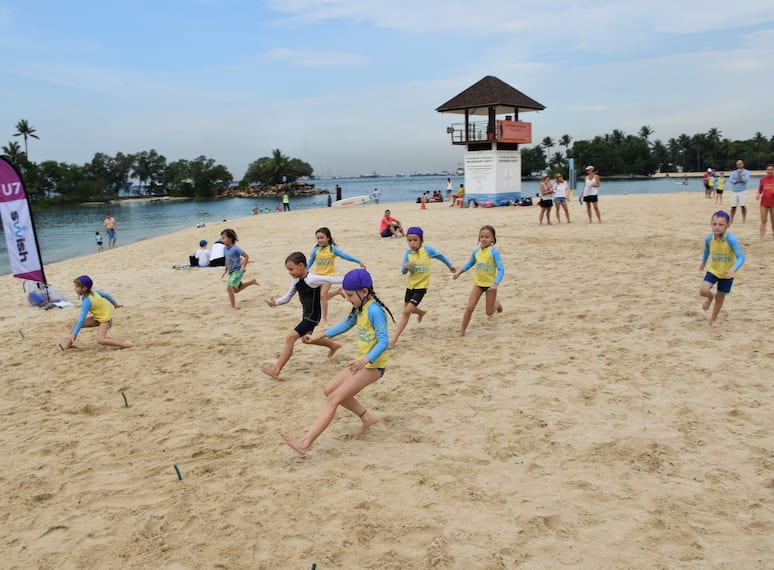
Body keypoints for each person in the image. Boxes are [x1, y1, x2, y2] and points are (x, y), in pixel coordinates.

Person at [280, 269, 394, 456]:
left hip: (374, 365)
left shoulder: (374, 310)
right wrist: (319, 335)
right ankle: (367, 417)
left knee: (334, 398)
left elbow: (384, 341)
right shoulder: (361, 307)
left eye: (350, 295)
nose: (347, 299)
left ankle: (305, 442)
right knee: (329, 390)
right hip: (362, 363)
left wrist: (366, 359)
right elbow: (346, 325)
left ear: (364, 292)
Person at [260, 252, 346, 380]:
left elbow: (331, 279)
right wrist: (275, 303)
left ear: (301, 265)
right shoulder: (296, 281)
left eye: (291, 269)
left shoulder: (312, 279)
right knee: (306, 339)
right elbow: (288, 297)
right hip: (307, 315)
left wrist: (353, 278)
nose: (289, 272)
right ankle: (333, 345)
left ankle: (276, 370)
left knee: (290, 338)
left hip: (313, 316)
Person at [390, 226, 456, 348]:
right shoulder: (408, 254)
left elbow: (440, 255)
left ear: (421, 240)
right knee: (407, 308)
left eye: (415, 240)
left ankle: (393, 339)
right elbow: (403, 272)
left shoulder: (427, 251)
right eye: (409, 240)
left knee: (406, 312)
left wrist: (450, 266)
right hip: (410, 286)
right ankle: (421, 312)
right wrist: (406, 267)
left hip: (421, 287)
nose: (412, 243)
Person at [453, 225, 504, 336]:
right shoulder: (476, 251)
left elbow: (501, 269)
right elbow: (470, 263)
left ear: (493, 239)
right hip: (478, 284)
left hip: (491, 285)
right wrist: (459, 272)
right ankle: (462, 331)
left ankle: (497, 304)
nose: (484, 239)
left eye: (487, 237)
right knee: (470, 307)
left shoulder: (494, 252)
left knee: (489, 312)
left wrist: (496, 284)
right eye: (481, 236)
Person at [307, 227, 366, 325]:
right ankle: (338, 292)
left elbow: (345, 256)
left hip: (329, 277)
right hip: (318, 277)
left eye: (322, 238)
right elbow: (310, 262)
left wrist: (358, 261)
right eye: (318, 238)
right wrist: (303, 271)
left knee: (322, 296)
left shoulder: (332, 249)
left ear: (328, 238)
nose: (319, 240)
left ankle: (324, 318)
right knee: (321, 297)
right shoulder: (315, 250)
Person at [699, 210, 745, 328]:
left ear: (727, 226)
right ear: (711, 224)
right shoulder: (709, 238)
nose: (717, 227)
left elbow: (741, 257)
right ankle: (710, 297)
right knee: (703, 291)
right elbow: (707, 249)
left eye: (721, 225)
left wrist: (733, 269)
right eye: (714, 224)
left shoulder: (731, 239)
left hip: (726, 273)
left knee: (720, 297)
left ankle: (713, 319)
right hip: (714, 270)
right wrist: (703, 262)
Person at [62, 275, 133, 349]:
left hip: (106, 321)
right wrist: (115, 304)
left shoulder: (87, 301)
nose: (75, 289)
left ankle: (124, 344)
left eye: (77, 287)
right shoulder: (94, 292)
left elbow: (82, 319)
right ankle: (68, 346)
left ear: (84, 288)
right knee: (76, 324)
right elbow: (106, 295)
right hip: (97, 318)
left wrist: (74, 334)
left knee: (100, 340)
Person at [220, 228, 258, 309]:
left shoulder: (235, 248)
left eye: (223, 238)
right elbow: (227, 259)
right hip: (231, 271)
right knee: (236, 290)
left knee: (229, 288)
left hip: (237, 271)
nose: (222, 240)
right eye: (222, 238)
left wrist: (243, 267)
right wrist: (225, 269)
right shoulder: (224, 249)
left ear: (230, 238)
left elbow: (246, 256)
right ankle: (252, 282)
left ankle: (233, 307)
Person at [728, 159, 751, 224]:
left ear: (743, 164)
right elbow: (731, 180)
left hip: (743, 191)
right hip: (734, 191)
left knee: (743, 205)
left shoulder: (746, 172)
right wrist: (737, 181)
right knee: (733, 206)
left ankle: (744, 218)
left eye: (740, 164)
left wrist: (741, 176)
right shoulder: (733, 172)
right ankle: (731, 219)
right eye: (738, 164)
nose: (739, 166)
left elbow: (745, 180)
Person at [757, 164, 774, 242]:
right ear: (766, 170)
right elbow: (760, 189)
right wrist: (757, 194)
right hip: (764, 202)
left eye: (771, 169)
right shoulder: (762, 179)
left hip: (773, 202)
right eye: (768, 169)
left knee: (773, 220)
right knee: (763, 220)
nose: (769, 171)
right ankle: (761, 237)